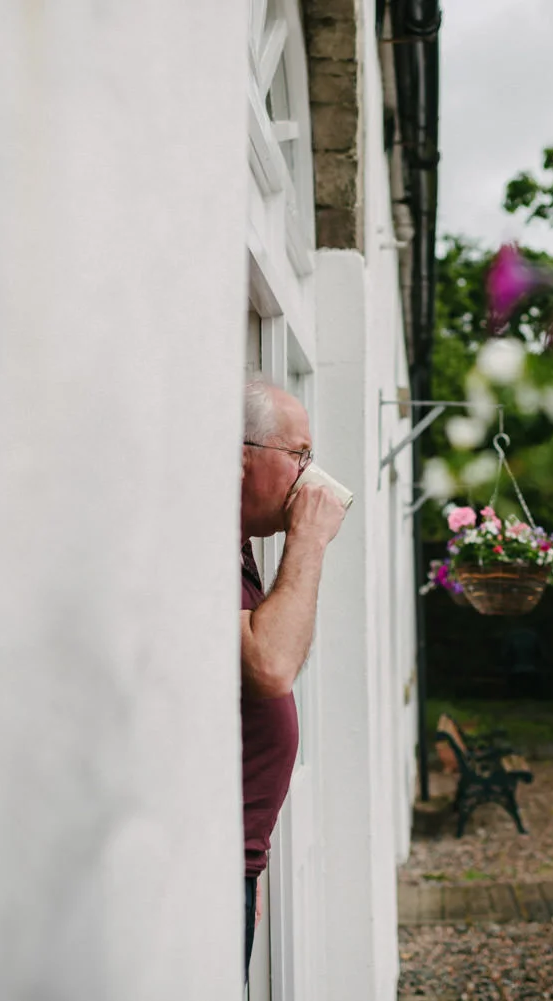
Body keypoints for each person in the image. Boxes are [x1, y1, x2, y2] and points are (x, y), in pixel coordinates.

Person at [236, 378, 347, 975]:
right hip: (211, 860)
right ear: (240, 456)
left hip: (237, 861)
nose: (309, 472)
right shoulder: (203, 547)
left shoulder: (243, 546)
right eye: (299, 454)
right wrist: (308, 539)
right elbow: (271, 667)